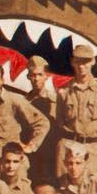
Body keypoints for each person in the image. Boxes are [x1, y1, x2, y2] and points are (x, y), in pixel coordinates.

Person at [53, 44, 97, 181]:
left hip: (95, 147)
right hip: (69, 146)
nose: (81, 66)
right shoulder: (64, 91)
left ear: (92, 62)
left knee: (95, 189)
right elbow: (59, 120)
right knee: (65, 189)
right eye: (78, 61)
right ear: (72, 62)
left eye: (86, 61)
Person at [24, 55, 59, 184]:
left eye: (39, 75)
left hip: (48, 152)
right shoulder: (25, 101)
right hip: (30, 149)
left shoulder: (54, 100)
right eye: (32, 75)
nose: (36, 79)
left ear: (46, 76)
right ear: (28, 77)